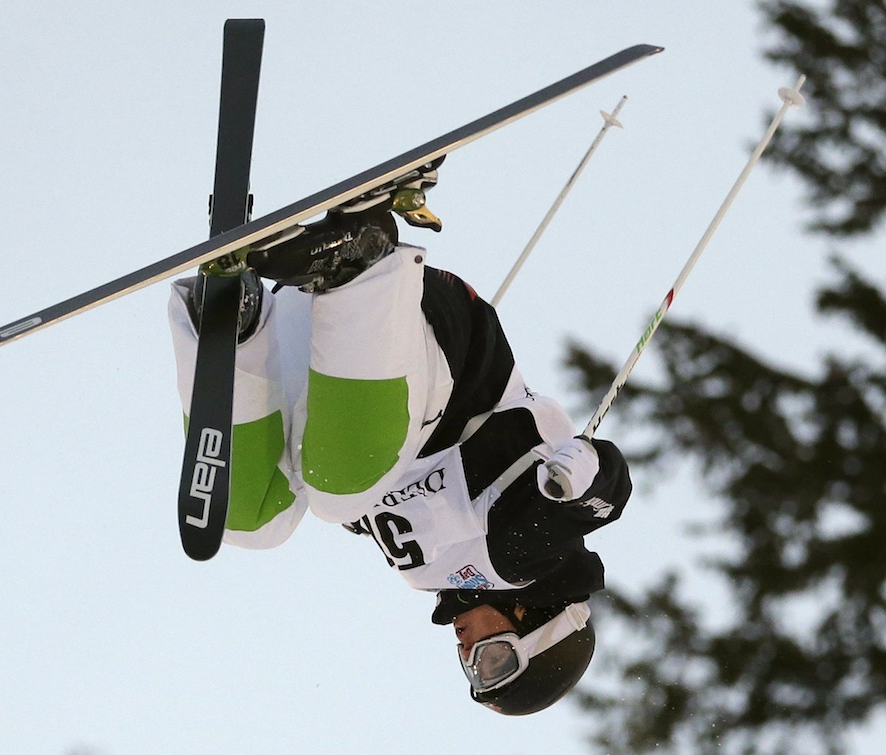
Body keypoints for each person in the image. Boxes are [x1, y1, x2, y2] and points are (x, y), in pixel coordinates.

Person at [167, 181, 632, 716]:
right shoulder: (522, 556)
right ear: (534, 620)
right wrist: (583, 479)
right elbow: (603, 499)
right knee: (337, 492)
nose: (468, 651)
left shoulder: (426, 570)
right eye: (495, 660)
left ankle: (235, 324)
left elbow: (391, 509)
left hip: (329, 349)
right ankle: (360, 262)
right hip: (423, 341)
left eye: (472, 668)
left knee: (250, 521)